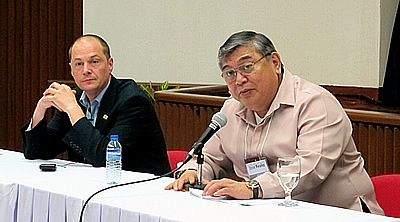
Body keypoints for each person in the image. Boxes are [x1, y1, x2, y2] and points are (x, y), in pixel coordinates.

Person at [166, 31, 384, 214]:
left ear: (275, 63)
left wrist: (252, 188)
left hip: (334, 213)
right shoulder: (231, 109)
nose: (239, 79)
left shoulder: (316, 103)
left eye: (247, 67)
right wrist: (194, 171)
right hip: (264, 212)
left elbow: (310, 169)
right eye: (230, 73)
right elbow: (211, 157)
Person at [21, 34, 171, 175]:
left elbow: (105, 158)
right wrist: (41, 108)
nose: (86, 70)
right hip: (91, 187)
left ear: (110, 64)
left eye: (94, 62)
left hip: (140, 190)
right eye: (79, 64)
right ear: (71, 70)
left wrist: (73, 109)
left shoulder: (132, 100)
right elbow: (36, 152)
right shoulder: (75, 97)